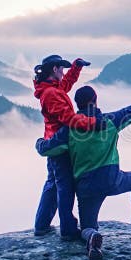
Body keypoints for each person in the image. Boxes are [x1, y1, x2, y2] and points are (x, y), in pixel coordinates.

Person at [36, 85, 131, 260]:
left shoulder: (69, 129)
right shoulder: (111, 121)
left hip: (85, 187)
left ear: (77, 104)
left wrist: (39, 142)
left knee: (86, 227)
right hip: (112, 179)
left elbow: (48, 149)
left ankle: (92, 237)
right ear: (95, 100)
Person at [32, 54, 99, 240]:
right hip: (60, 146)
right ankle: (68, 230)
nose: (63, 72)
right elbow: (69, 119)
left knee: (53, 184)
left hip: (54, 144)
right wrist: (93, 122)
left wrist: (76, 67)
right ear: (54, 69)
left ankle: (42, 225)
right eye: (62, 68)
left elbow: (65, 85)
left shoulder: (51, 89)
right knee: (65, 187)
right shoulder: (51, 94)